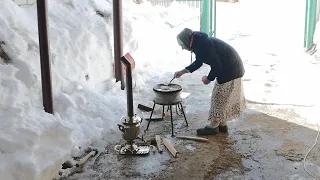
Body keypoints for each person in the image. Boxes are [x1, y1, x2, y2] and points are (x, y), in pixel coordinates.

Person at [174, 28, 246, 136]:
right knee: (222, 99)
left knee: (218, 98)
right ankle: (222, 125)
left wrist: (208, 79)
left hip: (231, 70)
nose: (182, 48)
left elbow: (217, 65)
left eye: (182, 45)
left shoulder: (202, 45)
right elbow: (199, 62)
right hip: (231, 68)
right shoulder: (199, 43)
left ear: (187, 41)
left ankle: (213, 127)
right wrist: (182, 71)